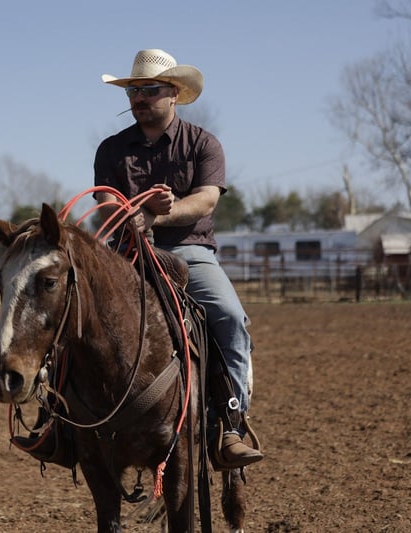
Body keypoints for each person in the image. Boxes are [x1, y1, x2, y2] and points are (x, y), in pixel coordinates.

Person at [94, 49, 263, 469]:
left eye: (149, 90)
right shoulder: (111, 149)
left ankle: (230, 424)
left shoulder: (203, 144)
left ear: (174, 93)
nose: (139, 98)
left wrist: (159, 214)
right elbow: (104, 204)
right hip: (127, 252)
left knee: (229, 317)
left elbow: (206, 200)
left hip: (190, 250)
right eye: (133, 91)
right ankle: (59, 422)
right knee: (74, 309)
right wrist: (132, 214)